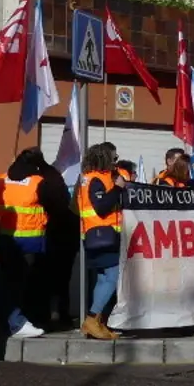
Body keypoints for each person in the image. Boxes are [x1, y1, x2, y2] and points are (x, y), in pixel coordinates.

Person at [0, 147, 62, 337]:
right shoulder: (38, 182)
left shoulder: (2, 180)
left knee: (8, 282)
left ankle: (6, 321)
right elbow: (57, 205)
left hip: (5, 238)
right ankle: (23, 322)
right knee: (28, 285)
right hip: (30, 241)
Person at [78, 144, 124, 340]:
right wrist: (118, 188)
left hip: (96, 236)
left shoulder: (88, 178)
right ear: (104, 158)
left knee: (103, 279)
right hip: (104, 236)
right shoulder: (96, 179)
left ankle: (97, 322)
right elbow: (102, 206)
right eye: (114, 158)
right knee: (112, 278)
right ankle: (91, 319)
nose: (115, 161)